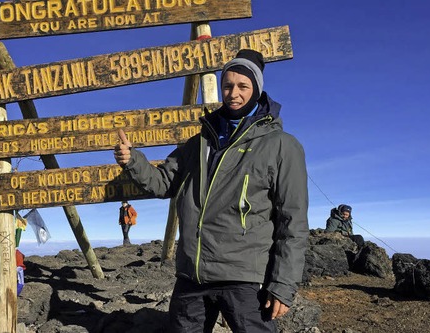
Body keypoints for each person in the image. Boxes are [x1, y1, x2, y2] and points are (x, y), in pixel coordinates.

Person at [114, 49, 309, 332]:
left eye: (243, 86)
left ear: (257, 90)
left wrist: (283, 285)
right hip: (192, 277)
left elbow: (293, 222)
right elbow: (163, 183)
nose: (233, 93)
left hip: (244, 278)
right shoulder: (199, 142)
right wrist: (133, 160)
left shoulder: (282, 145)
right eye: (228, 85)